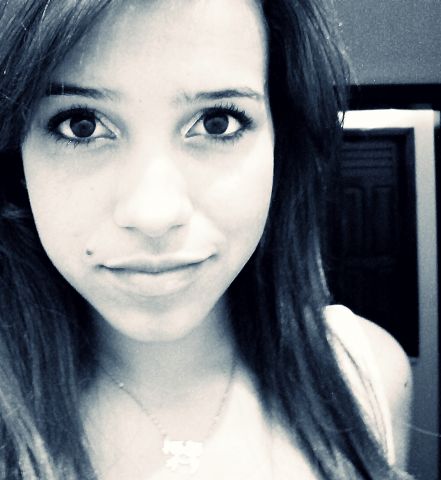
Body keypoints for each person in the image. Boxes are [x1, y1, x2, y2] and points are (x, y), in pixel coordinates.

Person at [0, 0, 413, 479]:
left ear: (280, 144)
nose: (154, 214)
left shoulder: (368, 376)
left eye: (217, 122)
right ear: (17, 156)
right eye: (81, 124)